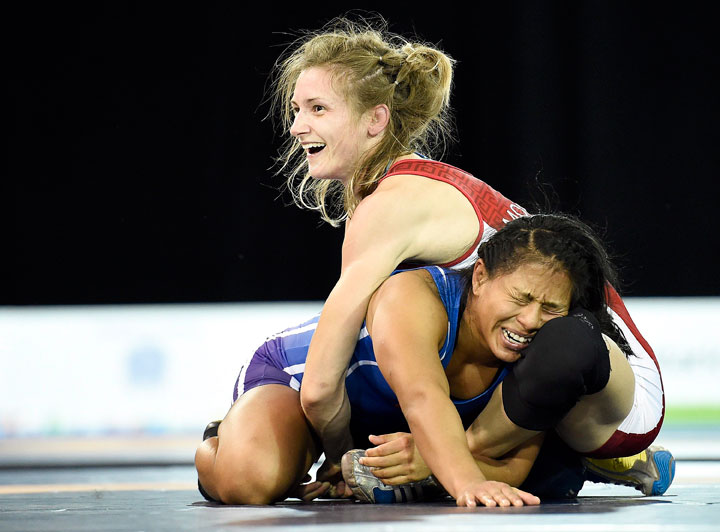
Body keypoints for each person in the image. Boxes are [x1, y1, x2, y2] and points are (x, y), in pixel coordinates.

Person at [264, 15, 670, 498]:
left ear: (376, 120)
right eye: (296, 110)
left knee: (544, 349)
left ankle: (484, 456)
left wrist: (343, 460)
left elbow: (319, 386)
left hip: (618, 395)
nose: (297, 126)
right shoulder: (406, 186)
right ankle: (561, 463)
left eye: (317, 109)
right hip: (551, 376)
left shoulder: (390, 207)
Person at [197, 213, 625, 506]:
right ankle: (221, 440)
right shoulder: (415, 297)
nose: (531, 320)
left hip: (383, 426)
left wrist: (430, 462)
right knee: (253, 480)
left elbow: (514, 464)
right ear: (479, 277)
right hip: (299, 387)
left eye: (550, 309)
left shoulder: (539, 349)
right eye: (520, 298)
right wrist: (466, 480)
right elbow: (422, 397)